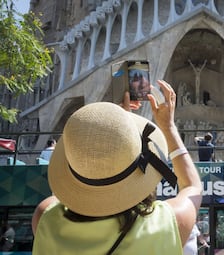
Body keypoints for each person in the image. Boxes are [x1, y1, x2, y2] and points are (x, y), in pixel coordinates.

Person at [31, 80, 202, 254]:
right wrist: (168, 127)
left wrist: (109, 127)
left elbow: (64, 192)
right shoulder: (165, 225)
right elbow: (192, 187)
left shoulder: (45, 217)